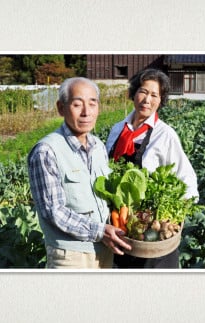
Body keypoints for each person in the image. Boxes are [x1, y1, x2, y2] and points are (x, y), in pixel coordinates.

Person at [28, 77, 131, 269]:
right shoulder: (46, 151)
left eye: (92, 104)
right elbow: (54, 211)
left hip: (105, 250)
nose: (86, 112)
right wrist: (101, 231)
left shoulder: (99, 146)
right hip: (70, 255)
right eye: (77, 104)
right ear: (61, 108)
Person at [106, 68, 199, 268]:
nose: (147, 99)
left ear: (160, 100)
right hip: (118, 230)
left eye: (154, 95)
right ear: (134, 93)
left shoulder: (165, 135)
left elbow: (186, 177)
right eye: (143, 91)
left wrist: (172, 218)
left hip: (150, 235)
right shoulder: (117, 129)